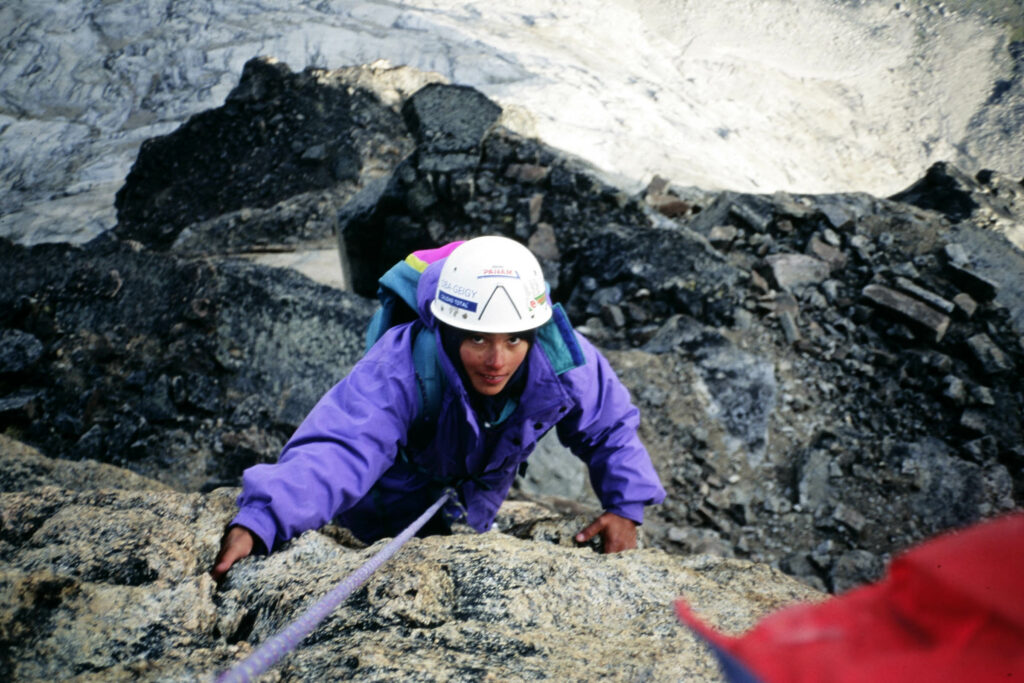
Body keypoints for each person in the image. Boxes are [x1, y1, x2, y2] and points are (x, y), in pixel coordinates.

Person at [211, 236, 666, 581]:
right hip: (381, 506)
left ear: (533, 331)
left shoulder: (564, 358)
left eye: (513, 339)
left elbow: (609, 427)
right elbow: (342, 444)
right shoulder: (402, 364)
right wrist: (263, 519)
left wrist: (625, 507)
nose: (497, 361)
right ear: (448, 330)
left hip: (475, 501)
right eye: (477, 339)